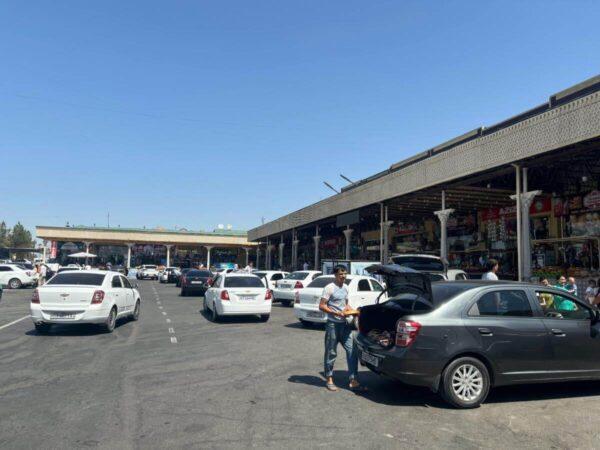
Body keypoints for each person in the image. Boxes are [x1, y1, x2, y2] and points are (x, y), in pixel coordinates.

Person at [319, 265, 365, 392]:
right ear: (335, 275)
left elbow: (345, 305)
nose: (343, 276)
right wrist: (335, 313)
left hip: (345, 325)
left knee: (352, 350)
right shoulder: (329, 288)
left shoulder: (345, 287)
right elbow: (322, 306)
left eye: (345, 274)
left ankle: (353, 380)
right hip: (333, 325)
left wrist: (353, 311)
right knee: (331, 352)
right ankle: (329, 379)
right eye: (341, 274)